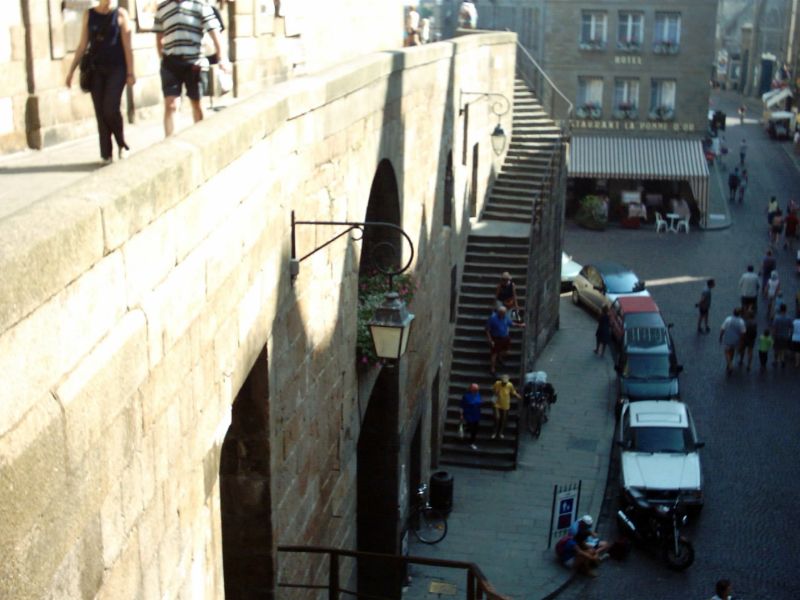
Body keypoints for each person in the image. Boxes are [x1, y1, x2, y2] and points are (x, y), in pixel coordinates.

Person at [65, 0, 135, 164]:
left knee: (110, 108)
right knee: (100, 111)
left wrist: (131, 72)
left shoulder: (120, 14)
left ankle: (122, 144)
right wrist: (71, 70)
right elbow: (83, 45)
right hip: (96, 70)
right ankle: (106, 153)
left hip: (117, 69)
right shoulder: (89, 15)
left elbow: (127, 46)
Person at [153, 0, 229, 137]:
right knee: (171, 104)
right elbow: (159, 35)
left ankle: (201, 138)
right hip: (170, 63)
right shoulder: (162, 7)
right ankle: (170, 143)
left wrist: (222, 59)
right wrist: (162, 56)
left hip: (194, 62)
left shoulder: (200, 6)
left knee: (197, 103)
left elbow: (215, 33)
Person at [485, 305, 523, 375]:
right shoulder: (492, 318)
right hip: (496, 338)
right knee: (494, 353)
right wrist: (490, 340)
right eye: (503, 313)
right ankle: (492, 369)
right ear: (499, 313)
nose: (504, 314)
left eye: (505, 313)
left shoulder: (505, 317)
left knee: (506, 350)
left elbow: (511, 323)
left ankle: (500, 357)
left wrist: (519, 325)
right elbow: (487, 330)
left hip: (505, 337)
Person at [491, 374, 521, 440]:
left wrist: (517, 395)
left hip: (505, 403)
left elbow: (513, 391)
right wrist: (495, 391)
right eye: (503, 382)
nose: (504, 384)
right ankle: (495, 432)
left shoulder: (510, 385)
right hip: (497, 403)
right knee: (497, 418)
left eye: (505, 382)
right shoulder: (497, 383)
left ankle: (501, 432)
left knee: (504, 419)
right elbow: (493, 389)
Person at [719, 307, 746, 374]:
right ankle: (729, 363)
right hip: (736, 340)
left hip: (728, 338)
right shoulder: (741, 321)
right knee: (732, 351)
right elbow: (743, 333)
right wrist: (741, 341)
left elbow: (722, 329)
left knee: (726, 352)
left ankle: (730, 364)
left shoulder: (728, 319)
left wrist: (720, 337)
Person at [460, 383, 482, 450]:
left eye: (477, 389)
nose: (477, 390)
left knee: (475, 429)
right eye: (475, 389)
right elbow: (462, 406)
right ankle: (470, 441)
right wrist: (461, 414)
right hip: (469, 415)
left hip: (476, 415)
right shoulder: (466, 396)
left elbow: (479, 402)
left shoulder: (478, 394)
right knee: (471, 428)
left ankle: (471, 441)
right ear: (471, 389)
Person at [772, 303, 793, 367]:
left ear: (780, 310)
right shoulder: (789, 318)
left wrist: (773, 336)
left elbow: (774, 328)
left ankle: (776, 361)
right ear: (786, 310)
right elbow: (791, 327)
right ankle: (782, 360)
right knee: (783, 349)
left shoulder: (776, 318)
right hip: (785, 336)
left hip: (778, 336)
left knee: (776, 349)